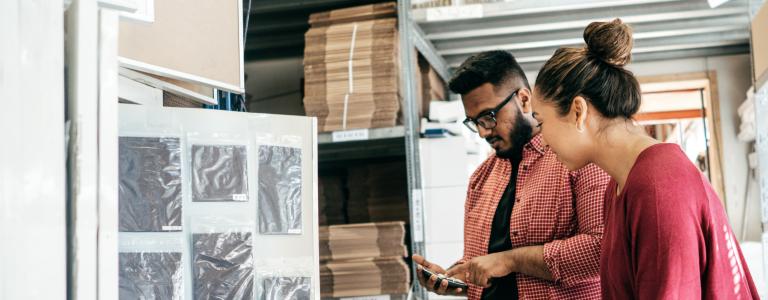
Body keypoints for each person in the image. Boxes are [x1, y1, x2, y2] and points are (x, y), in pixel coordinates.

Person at [530, 19, 760, 299]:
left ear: (578, 111)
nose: (541, 139)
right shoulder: (618, 186)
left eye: (541, 122)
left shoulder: (658, 187)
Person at [413, 50, 610, 299]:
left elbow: (600, 250)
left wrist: (511, 260)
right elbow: (486, 266)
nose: (483, 133)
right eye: (474, 122)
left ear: (524, 100)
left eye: (488, 117)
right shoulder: (480, 179)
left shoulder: (578, 160)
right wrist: (455, 280)